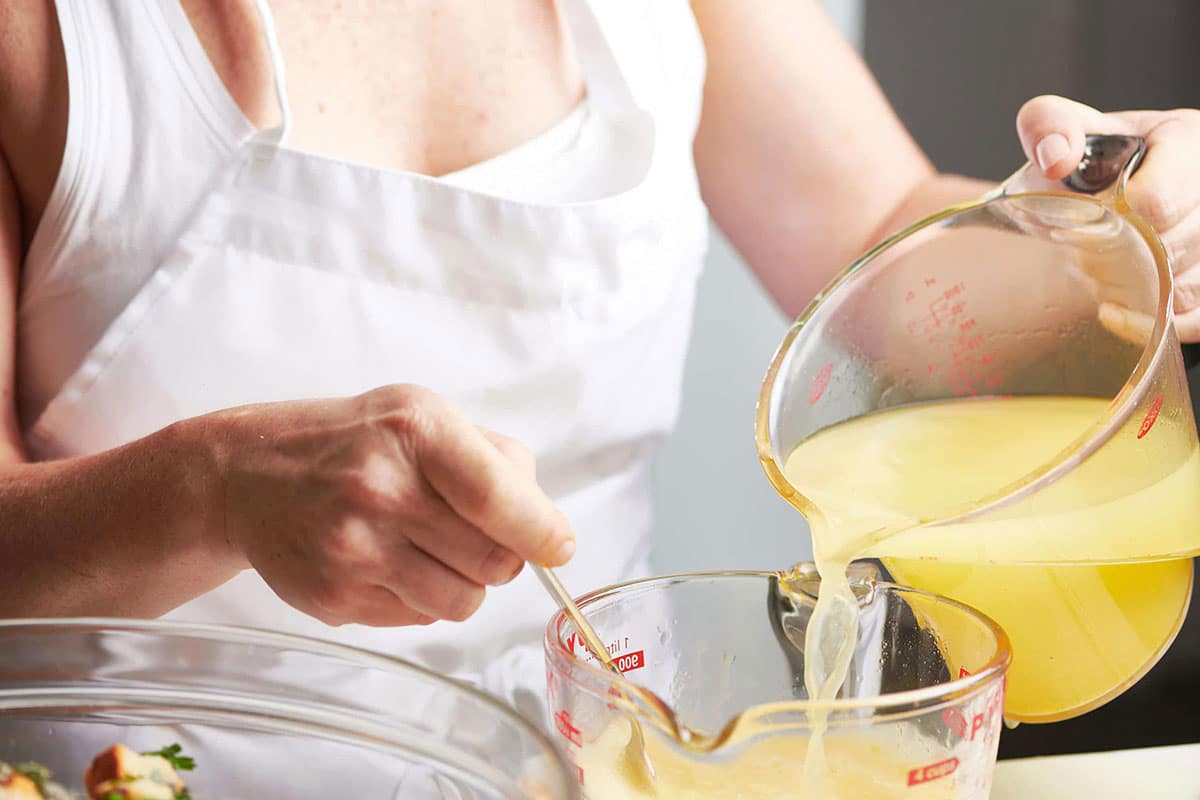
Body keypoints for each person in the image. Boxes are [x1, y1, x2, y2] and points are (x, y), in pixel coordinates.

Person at [1, 0, 1197, 740]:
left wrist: (1114, 226)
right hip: (135, 773)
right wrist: (214, 486)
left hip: (599, 756)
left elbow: (881, 240)